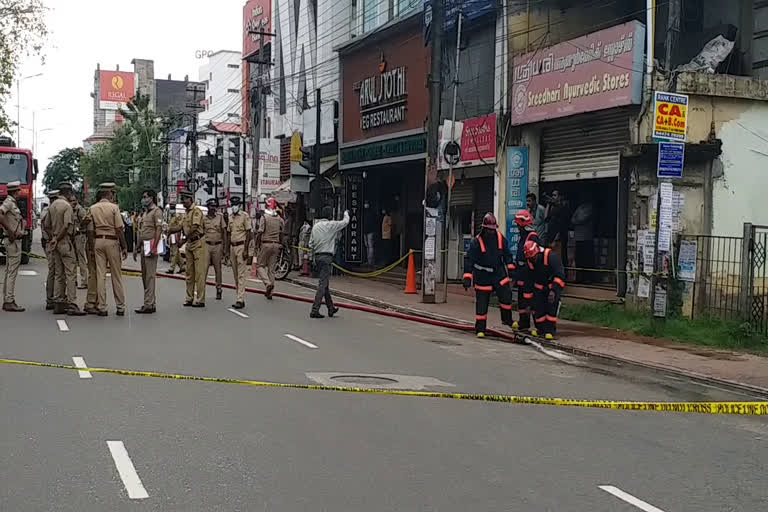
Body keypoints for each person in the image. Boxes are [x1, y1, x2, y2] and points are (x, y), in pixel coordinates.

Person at [463, 213, 514, 338]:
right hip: (482, 275)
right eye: (489, 230)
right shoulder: (476, 242)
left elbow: (507, 256)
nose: (491, 232)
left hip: (498, 272)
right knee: (482, 302)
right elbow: (469, 260)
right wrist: (467, 277)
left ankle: (507, 319)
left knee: (506, 295)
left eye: (493, 230)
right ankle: (480, 328)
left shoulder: (501, 239)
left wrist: (512, 271)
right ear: (484, 229)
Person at [45, 182, 86, 316]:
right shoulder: (66, 206)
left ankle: (58, 302)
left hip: (55, 243)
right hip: (65, 242)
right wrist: (58, 238)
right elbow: (67, 225)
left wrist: (53, 238)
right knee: (70, 272)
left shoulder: (52, 206)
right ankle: (72, 303)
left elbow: (46, 225)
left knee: (58, 273)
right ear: (68, 193)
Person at [90, 183, 128, 316]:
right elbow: (119, 228)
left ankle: (102, 306)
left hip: (98, 240)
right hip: (112, 241)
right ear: (109, 194)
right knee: (116, 275)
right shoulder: (114, 208)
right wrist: (124, 246)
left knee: (101, 275)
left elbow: (89, 227)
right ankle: (120, 306)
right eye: (112, 193)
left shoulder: (92, 208)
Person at [309, 207, 349, 318]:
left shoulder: (315, 227)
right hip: (326, 257)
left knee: (324, 283)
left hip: (317, 256)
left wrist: (311, 258)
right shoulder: (331, 225)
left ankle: (330, 308)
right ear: (330, 216)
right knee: (323, 284)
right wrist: (346, 213)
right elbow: (345, 222)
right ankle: (315, 309)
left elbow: (311, 244)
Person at [524, 239, 566, 340]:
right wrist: (528, 302)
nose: (532, 260)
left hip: (552, 287)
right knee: (538, 310)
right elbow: (528, 281)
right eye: (530, 258)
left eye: (533, 257)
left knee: (551, 309)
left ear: (538, 252)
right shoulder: (530, 261)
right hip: (539, 288)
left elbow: (560, 276)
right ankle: (541, 330)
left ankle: (550, 331)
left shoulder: (551, 257)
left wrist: (554, 291)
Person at [171, 191, 206, 307]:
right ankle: (189, 297)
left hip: (198, 243)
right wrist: (170, 230)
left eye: (184, 199)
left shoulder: (196, 211)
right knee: (189, 273)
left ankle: (200, 299)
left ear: (190, 199)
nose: (183, 201)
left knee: (199, 273)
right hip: (190, 244)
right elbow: (181, 226)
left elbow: (195, 227)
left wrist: (184, 239)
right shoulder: (186, 213)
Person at [510, 209, 541, 332]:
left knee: (531, 300)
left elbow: (533, 256)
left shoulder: (532, 236)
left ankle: (539, 325)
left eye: (518, 225)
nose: (517, 227)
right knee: (522, 300)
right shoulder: (523, 236)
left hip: (529, 274)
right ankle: (524, 322)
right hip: (522, 273)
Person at [133, 189, 163, 314]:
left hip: (151, 244)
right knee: (145, 276)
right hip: (144, 245)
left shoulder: (157, 212)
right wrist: (136, 247)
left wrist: (154, 247)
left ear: (151, 198)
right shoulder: (145, 213)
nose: (143, 199)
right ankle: (150, 302)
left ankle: (148, 304)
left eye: (145, 197)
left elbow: (158, 230)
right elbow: (141, 231)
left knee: (150, 276)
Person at [0, 181, 26, 312]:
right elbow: (0, 214)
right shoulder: (9, 202)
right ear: (16, 192)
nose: (20, 193)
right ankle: (9, 300)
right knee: (11, 272)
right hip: (12, 241)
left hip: (13, 240)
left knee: (9, 271)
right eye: (19, 191)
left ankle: (8, 299)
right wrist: (10, 231)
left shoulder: (12, 203)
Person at [256, 197, 285, 300]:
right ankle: (270, 293)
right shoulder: (279, 219)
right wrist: (281, 244)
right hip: (276, 245)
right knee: (271, 270)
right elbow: (282, 233)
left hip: (266, 244)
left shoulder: (264, 217)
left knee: (260, 266)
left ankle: (268, 284)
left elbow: (260, 232)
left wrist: (257, 244)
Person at [227, 196, 251, 309]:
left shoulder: (245, 216)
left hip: (241, 246)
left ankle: (240, 299)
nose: (233, 207)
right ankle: (239, 296)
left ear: (239, 206)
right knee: (236, 274)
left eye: (235, 205)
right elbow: (228, 233)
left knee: (241, 274)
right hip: (233, 247)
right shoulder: (230, 217)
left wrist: (246, 249)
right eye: (232, 205)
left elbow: (249, 233)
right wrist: (226, 251)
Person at [203, 198, 227, 301]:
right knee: (204, 269)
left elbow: (224, 232)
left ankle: (219, 289)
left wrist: (225, 248)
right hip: (206, 245)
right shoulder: (203, 219)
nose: (213, 208)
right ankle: (201, 290)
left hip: (218, 245)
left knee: (218, 269)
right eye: (211, 206)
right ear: (208, 207)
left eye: (214, 206)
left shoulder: (220, 218)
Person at [40, 191, 58, 310]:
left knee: (55, 271)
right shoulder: (49, 211)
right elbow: (46, 227)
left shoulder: (46, 211)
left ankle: (53, 298)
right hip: (51, 243)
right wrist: (54, 238)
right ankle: (51, 299)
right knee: (54, 271)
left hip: (49, 242)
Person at [544, 189, 569, 265]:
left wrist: (556, 239)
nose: (553, 197)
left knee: (559, 258)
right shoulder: (553, 207)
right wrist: (549, 204)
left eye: (555, 195)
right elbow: (546, 218)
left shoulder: (563, 207)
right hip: (551, 236)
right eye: (552, 195)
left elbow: (561, 225)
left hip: (558, 238)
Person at [81, 206, 98, 314]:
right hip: (96, 242)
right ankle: (93, 302)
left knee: (95, 273)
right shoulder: (113, 209)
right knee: (95, 273)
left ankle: (95, 301)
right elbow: (90, 230)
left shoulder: (92, 210)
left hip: (96, 242)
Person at [71, 195, 89, 289]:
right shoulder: (71, 210)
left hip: (80, 236)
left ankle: (84, 281)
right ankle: (73, 281)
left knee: (81, 259)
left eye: (74, 200)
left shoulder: (80, 210)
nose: (72, 202)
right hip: (72, 237)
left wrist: (81, 227)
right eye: (71, 201)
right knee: (73, 259)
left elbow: (87, 220)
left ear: (77, 200)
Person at [166, 203, 184, 274]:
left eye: (173, 208)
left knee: (174, 253)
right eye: (171, 208)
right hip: (171, 236)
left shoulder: (177, 217)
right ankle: (182, 266)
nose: (172, 210)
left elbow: (179, 227)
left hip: (175, 236)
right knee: (177, 253)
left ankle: (171, 268)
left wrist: (179, 238)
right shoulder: (171, 216)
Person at [363, 201, 376, 267]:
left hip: (370, 231)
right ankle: (368, 261)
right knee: (367, 246)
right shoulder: (364, 212)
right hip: (365, 231)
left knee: (370, 246)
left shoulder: (371, 213)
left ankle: (370, 261)